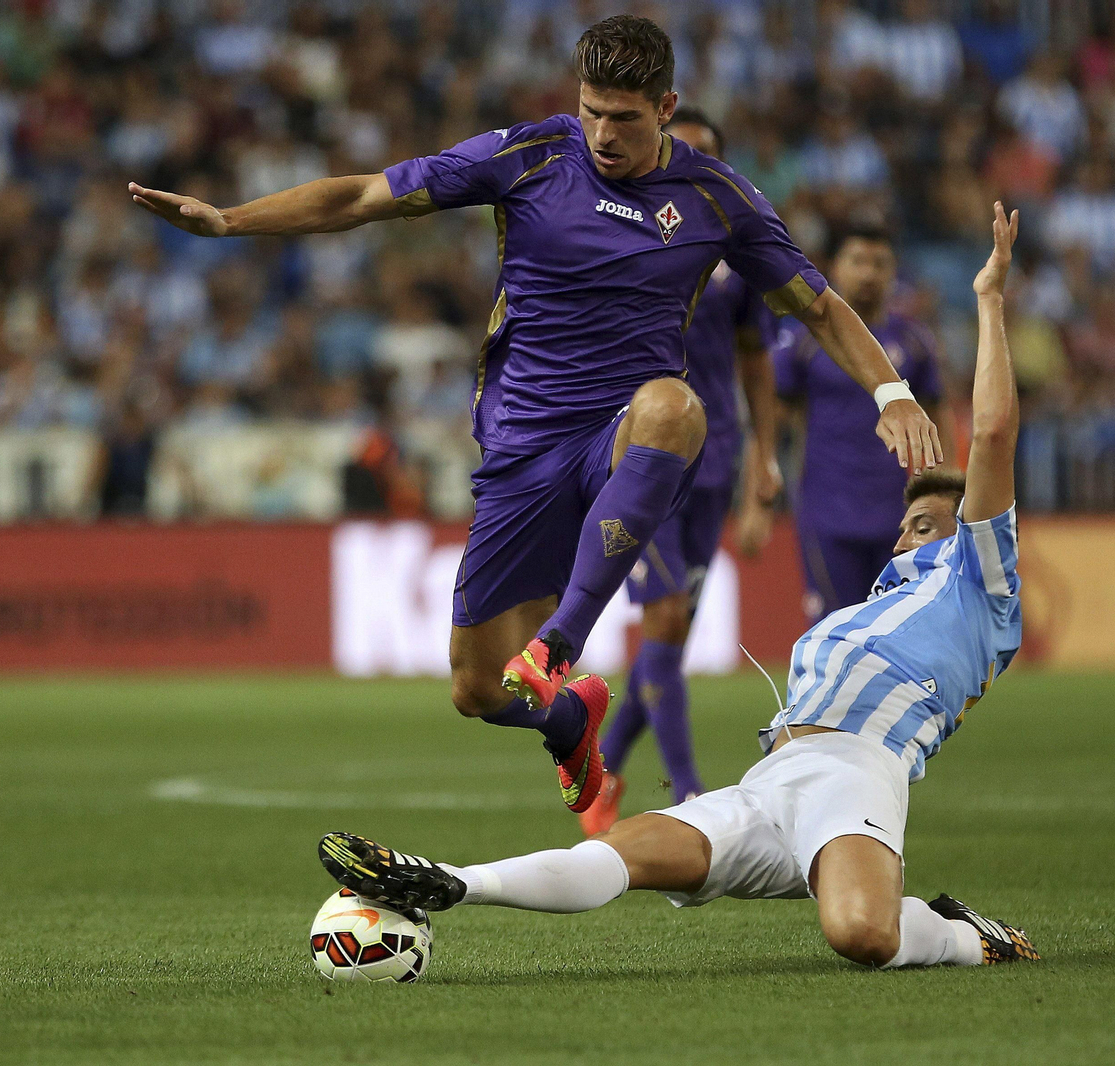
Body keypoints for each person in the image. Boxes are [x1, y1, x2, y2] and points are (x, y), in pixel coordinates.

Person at [131, 14, 940, 815]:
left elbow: (821, 307)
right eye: (591, 110)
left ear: (666, 106)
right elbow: (365, 194)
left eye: (623, 116)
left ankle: (560, 643)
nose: (602, 134)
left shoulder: (715, 198)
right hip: (522, 449)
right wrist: (230, 220)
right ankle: (565, 713)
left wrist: (893, 393)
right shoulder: (528, 156)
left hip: (625, 436)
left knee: (673, 406)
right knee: (475, 688)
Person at [317, 204, 1037, 972]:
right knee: (615, 857)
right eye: (911, 522)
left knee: (862, 935)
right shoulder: (871, 606)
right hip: (773, 779)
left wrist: (989, 299)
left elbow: (991, 434)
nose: (908, 532)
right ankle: (453, 882)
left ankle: (967, 937)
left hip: (857, 771)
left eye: (930, 522)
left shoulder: (984, 586)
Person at [585, 108, 781, 831]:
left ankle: (598, 767)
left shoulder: (736, 257)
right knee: (664, 619)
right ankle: (690, 796)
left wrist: (764, 461)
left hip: (718, 460)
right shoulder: (619, 235)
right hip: (642, 455)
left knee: (671, 637)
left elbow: (758, 363)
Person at [774, 224, 952, 620]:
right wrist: (759, 485)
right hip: (827, 512)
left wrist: (948, 494)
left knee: (898, 634)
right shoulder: (804, 339)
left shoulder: (915, 342)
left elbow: (938, 418)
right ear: (834, 267)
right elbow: (775, 415)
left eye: (880, 263)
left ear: (894, 272)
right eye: (858, 261)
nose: (869, 273)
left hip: (900, 516)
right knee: (834, 632)